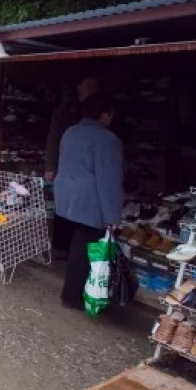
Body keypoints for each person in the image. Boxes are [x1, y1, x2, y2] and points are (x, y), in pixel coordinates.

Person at [55, 93, 124, 309]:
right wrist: (112, 215)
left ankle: (74, 291)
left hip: (65, 195)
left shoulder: (70, 132)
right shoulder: (109, 140)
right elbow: (108, 180)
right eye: (111, 115)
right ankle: (72, 296)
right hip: (88, 199)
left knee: (74, 244)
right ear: (104, 115)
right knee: (83, 250)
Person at [45, 74, 100, 259]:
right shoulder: (65, 111)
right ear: (79, 87)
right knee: (64, 206)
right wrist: (50, 166)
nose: (91, 89)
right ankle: (61, 246)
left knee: (82, 208)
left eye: (94, 86)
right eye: (88, 85)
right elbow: (53, 139)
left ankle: (75, 249)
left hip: (86, 167)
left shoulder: (97, 110)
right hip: (65, 165)